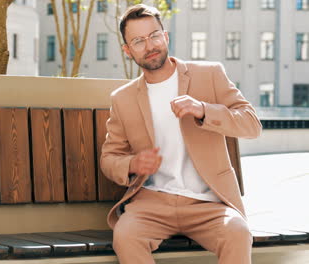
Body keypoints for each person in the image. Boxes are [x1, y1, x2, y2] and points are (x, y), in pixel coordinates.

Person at [100, 4, 262, 264]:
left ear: (166, 36)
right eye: (139, 41)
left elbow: (252, 124)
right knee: (125, 236)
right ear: (127, 50)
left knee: (238, 233)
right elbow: (109, 158)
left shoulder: (209, 75)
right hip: (151, 204)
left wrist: (203, 110)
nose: (150, 45)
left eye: (154, 35)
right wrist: (132, 163)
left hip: (209, 204)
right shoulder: (123, 99)